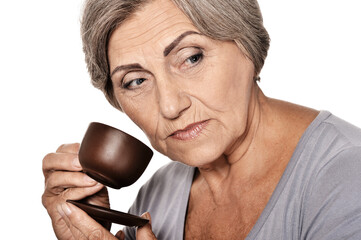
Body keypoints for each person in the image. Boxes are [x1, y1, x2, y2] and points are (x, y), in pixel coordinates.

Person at [42, 0, 361, 239]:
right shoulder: (156, 196)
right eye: (136, 81)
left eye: (191, 58)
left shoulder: (348, 177)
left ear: (247, 47)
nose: (170, 106)